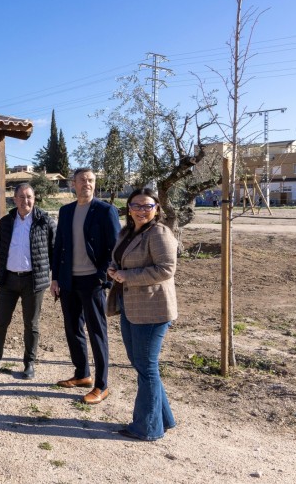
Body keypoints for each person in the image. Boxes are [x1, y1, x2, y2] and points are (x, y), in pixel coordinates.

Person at [106, 188, 178, 441]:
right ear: (129, 208)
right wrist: (113, 269)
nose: (140, 210)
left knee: (146, 367)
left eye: (147, 206)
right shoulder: (127, 232)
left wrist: (128, 276)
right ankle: (164, 419)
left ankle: (147, 427)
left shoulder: (159, 233)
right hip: (130, 306)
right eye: (135, 205)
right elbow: (120, 260)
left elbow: (166, 269)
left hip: (153, 308)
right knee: (141, 364)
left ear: (156, 208)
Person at [51, 168, 120, 404]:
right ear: (73, 184)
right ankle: (82, 374)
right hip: (69, 280)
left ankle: (102, 385)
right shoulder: (66, 211)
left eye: (90, 180)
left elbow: (115, 248)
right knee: (73, 329)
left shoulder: (105, 210)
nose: (86, 184)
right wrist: (56, 277)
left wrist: (103, 277)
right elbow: (59, 245)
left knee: (97, 332)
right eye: (82, 180)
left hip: (93, 282)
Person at [0, 183, 55, 379]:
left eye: (29, 196)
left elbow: (53, 249)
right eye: (21, 197)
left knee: (31, 325)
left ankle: (29, 363)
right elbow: (0, 245)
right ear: (14, 199)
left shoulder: (44, 221)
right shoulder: (6, 222)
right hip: (9, 280)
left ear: (35, 198)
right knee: (0, 323)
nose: (26, 201)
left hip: (33, 281)